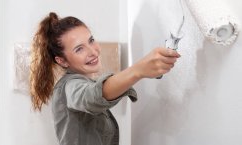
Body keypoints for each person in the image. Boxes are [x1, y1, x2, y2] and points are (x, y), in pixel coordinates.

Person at [29, 12, 180, 145]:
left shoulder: (86, 80)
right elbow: (92, 97)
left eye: (91, 40)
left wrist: (150, 69)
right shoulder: (69, 87)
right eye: (79, 49)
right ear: (62, 61)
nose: (92, 51)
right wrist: (138, 70)